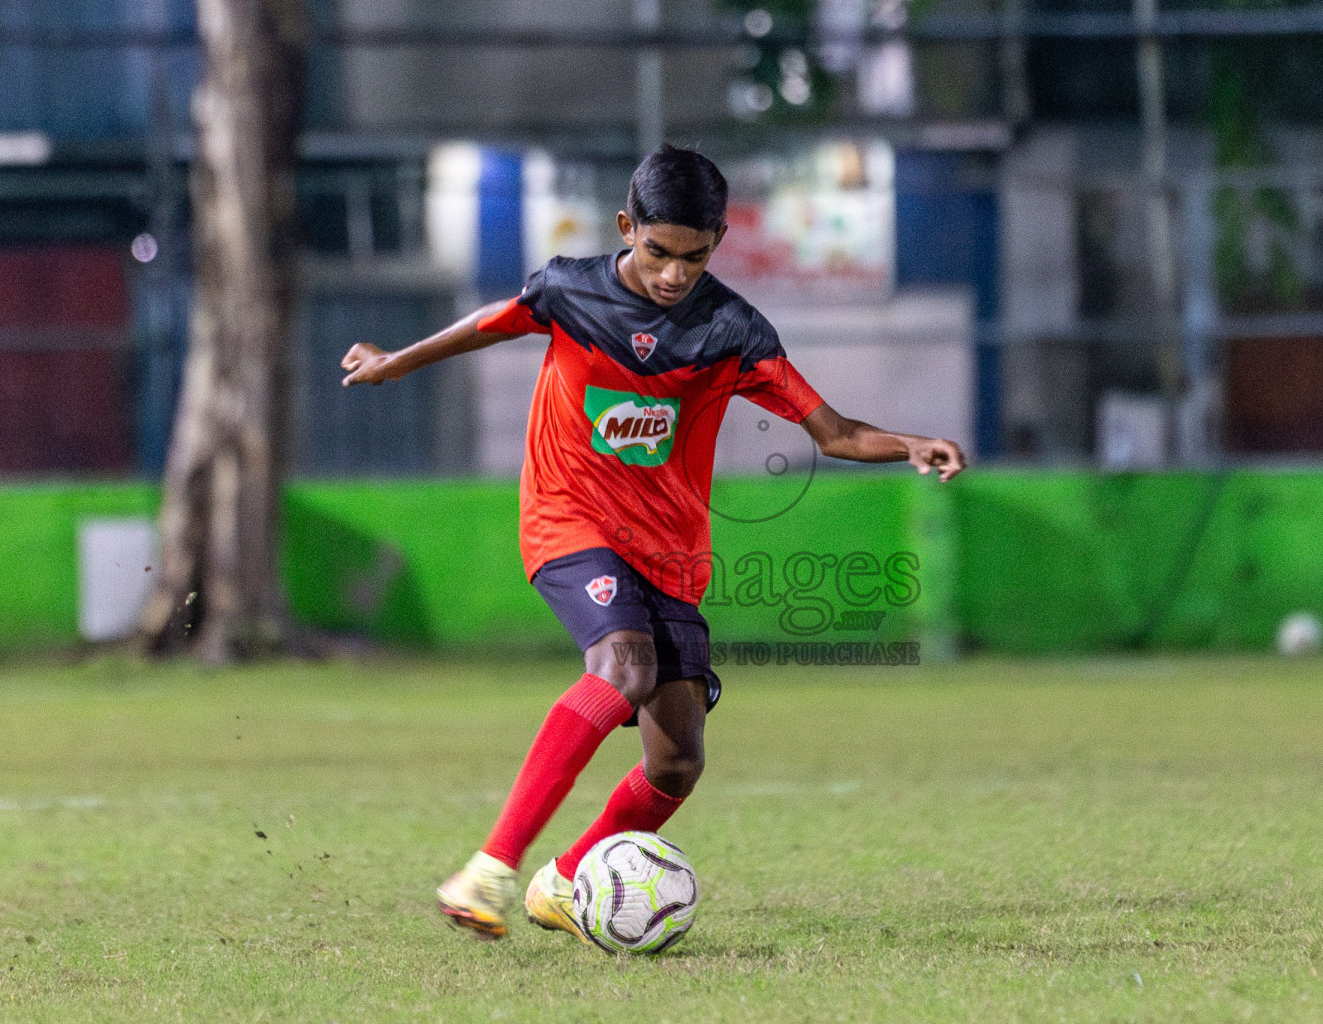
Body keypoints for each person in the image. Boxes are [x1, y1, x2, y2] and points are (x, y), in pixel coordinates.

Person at [340, 144, 966, 943]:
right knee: (623, 665)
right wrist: (396, 363)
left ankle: (565, 882)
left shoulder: (731, 329)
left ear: (717, 243)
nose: (674, 274)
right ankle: (489, 871)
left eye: (694, 257)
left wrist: (912, 444)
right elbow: (487, 326)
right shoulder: (571, 289)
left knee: (677, 763)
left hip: (668, 553)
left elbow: (834, 432)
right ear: (627, 227)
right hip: (569, 519)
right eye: (658, 252)